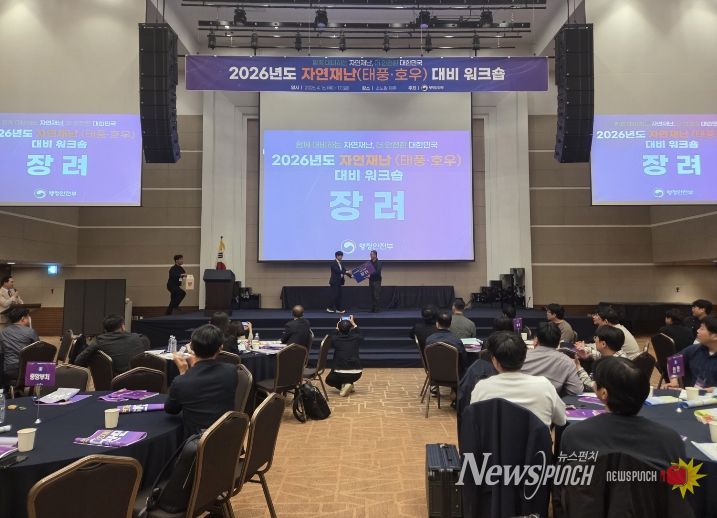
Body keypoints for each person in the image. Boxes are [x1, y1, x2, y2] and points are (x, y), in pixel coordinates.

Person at [560, 357, 685, 468]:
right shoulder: (670, 441)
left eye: (595, 381)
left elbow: (563, 480)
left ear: (603, 393)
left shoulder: (575, 435)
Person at [470, 331, 566, 428]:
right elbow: (561, 420)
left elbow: (474, 422)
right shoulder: (544, 386)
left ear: (494, 360)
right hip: (536, 438)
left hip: (493, 438)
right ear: (524, 357)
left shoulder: (481, 387)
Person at [165, 324, 238, 437]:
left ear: (192, 348)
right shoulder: (231, 371)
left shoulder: (182, 381)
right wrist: (194, 366)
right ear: (220, 348)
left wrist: (183, 372)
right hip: (228, 435)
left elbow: (171, 409)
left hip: (197, 441)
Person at [522, 322, 583, 396]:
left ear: (536, 340)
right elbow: (576, 390)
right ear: (558, 342)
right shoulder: (567, 362)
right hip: (548, 401)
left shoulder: (521, 356)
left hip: (518, 400)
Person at [75, 314, 148, 376]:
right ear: (122, 327)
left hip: (116, 382)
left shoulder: (100, 341)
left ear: (105, 329)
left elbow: (78, 361)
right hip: (141, 380)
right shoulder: (139, 338)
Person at [667, 316, 717, 389]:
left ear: (714, 336)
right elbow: (674, 361)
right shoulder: (696, 349)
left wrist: (714, 390)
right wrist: (674, 382)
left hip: (711, 396)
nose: (697, 331)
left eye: (702, 329)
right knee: (657, 393)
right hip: (693, 393)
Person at [575, 307, 641, 360]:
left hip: (626, 363)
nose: (593, 317)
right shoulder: (617, 328)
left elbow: (603, 347)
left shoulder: (615, 333)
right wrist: (585, 346)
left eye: (597, 315)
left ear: (606, 321)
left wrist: (584, 346)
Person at [575, 325, 626, 391]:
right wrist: (586, 351)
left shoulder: (612, 366)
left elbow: (594, 387)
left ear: (603, 344)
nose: (594, 340)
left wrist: (578, 367)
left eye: (596, 338)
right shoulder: (618, 354)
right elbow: (598, 354)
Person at [326, 316, 362, 397]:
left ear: (338, 329)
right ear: (351, 329)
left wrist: (336, 329)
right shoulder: (356, 338)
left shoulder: (335, 339)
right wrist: (354, 324)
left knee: (329, 380)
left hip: (340, 374)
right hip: (357, 374)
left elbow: (331, 337)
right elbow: (360, 334)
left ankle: (344, 386)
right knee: (347, 375)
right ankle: (348, 384)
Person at [0, 307, 39, 381]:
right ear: (23, 318)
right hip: (26, 369)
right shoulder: (30, 332)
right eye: (28, 317)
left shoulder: (3, 332)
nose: (29, 319)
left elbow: (1, 352)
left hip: (8, 370)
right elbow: (38, 351)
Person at [426, 311, 469, 378]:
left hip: (434, 375)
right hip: (455, 376)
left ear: (437, 324)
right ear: (450, 324)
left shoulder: (429, 340)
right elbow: (464, 362)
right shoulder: (457, 342)